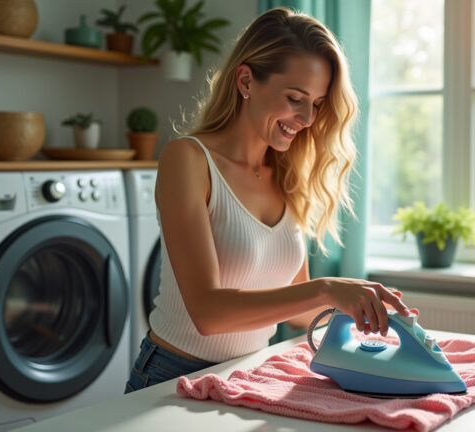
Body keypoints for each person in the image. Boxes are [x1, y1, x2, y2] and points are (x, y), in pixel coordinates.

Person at [125, 8, 412, 394]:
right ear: (246, 80)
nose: (308, 118)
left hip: (247, 375)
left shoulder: (290, 175)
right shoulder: (187, 160)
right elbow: (207, 313)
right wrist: (327, 288)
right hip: (171, 378)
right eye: (295, 98)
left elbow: (299, 315)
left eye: (317, 103)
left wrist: (362, 302)